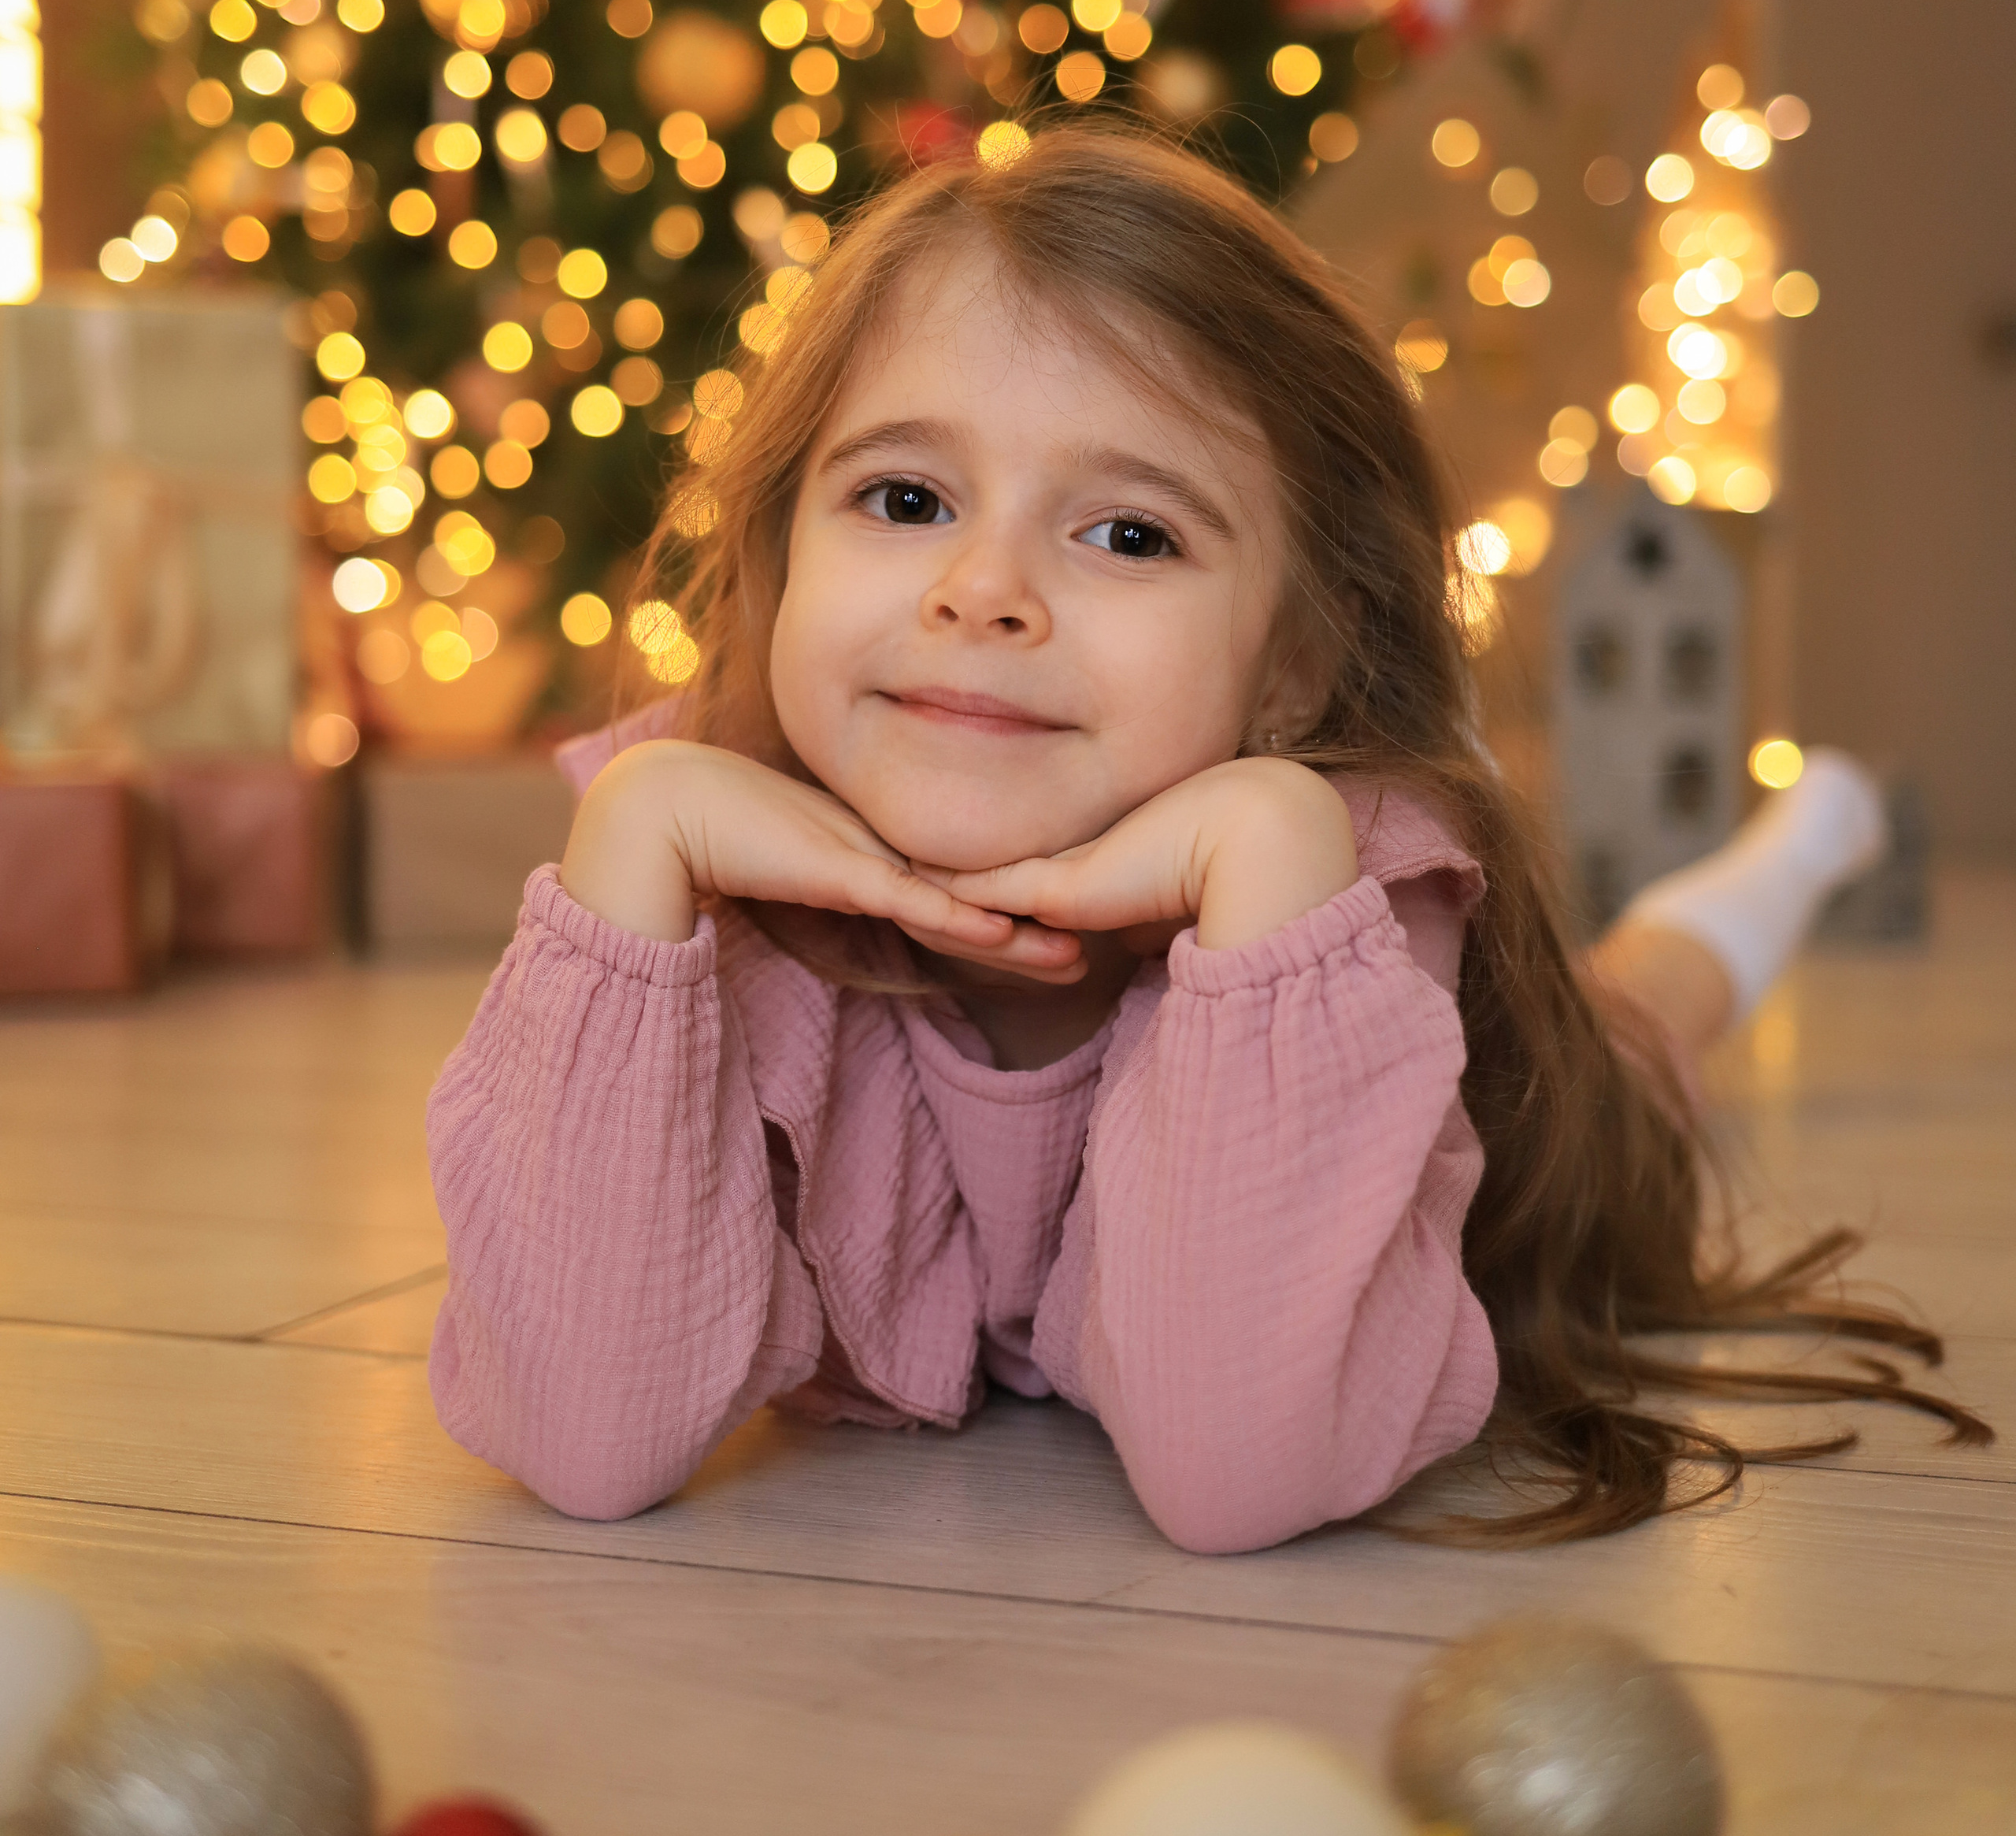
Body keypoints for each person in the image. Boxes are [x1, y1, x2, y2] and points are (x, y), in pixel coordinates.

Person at [427, 121, 1978, 1552]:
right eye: (902, 500)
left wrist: (1264, 846)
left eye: (1127, 534)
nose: (981, 589)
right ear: (777, 561)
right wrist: (628, 845)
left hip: (1505, 1074)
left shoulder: (1326, 878)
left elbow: (1241, 1469)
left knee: (1639, 1023)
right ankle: (1794, 844)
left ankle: (1794, 849)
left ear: (1291, 663)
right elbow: (584, 1431)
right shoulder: (702, 874)